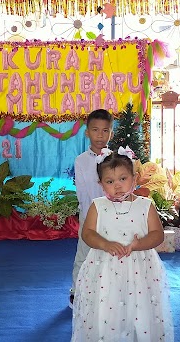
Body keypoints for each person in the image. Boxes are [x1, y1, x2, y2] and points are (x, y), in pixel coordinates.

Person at [72, 148, 173, 342]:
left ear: (134, 179)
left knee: (140, 309)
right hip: (105, 271)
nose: (117, 185)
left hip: (140, 270)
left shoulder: (145, 205)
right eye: (110, 181)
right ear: (101, 184)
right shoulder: (98, 205)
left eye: (123, 179)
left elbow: (157, 235)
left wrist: (139, 244)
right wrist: (105, 243)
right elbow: (88, 233)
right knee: (106, 310)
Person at [70, 108, 114, 307]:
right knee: (84, 254)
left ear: (111, 133)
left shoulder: (116, 159)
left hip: (113, 216)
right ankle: (77, 291)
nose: (100, 135)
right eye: (95, 130)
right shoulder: (81, 161)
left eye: (105, 131)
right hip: (89, 215)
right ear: (87, 132)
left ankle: (107, 291)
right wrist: (89, 216)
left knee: (109, 255)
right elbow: (82, 191)